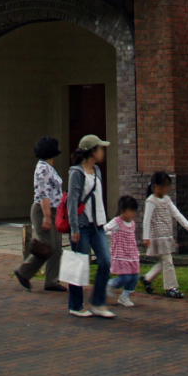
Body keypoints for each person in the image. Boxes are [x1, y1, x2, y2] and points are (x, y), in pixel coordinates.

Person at [66, 134, 114, 319]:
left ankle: (98, 302)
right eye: (101, 148)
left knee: (105, 262)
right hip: (83, 226)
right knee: (79, 264)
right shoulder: (76, 173)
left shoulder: (97, 171)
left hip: (98, 226)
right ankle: (76, 305)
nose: (103, 152)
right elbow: (72, 202)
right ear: (92, 151)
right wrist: (74, 228)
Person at [14, 136, 65, 293]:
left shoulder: (49, 168)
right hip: (43, 210)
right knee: (47, 245)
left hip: (54, 210)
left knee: (56, 248)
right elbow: (43, 193)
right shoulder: (42, 168)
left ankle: (51, 280)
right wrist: (47, 216)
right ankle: (24, 271)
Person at [142, 171, 188, 298]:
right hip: (158, 236)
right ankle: (171, 287)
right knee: (168, 261)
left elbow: (176, 213)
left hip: (167, 235)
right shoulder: (151, 201)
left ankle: (147, 278)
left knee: (164, 261)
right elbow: (146, 220)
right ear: (157, 187)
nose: (167, 189)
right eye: (165, 186)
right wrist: (146, 237)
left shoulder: (167, 200)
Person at [104, 196, 142, 307]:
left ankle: (124, 296)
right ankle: (110, 284)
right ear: (122, 210)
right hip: (121, 255)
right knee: (125, 277)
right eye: (130, 211)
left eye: (134, 211)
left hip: (132, 255)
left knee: (134, 276)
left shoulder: (133, 224)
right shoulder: (117, 222)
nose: (132, 214)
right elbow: (105, 229)